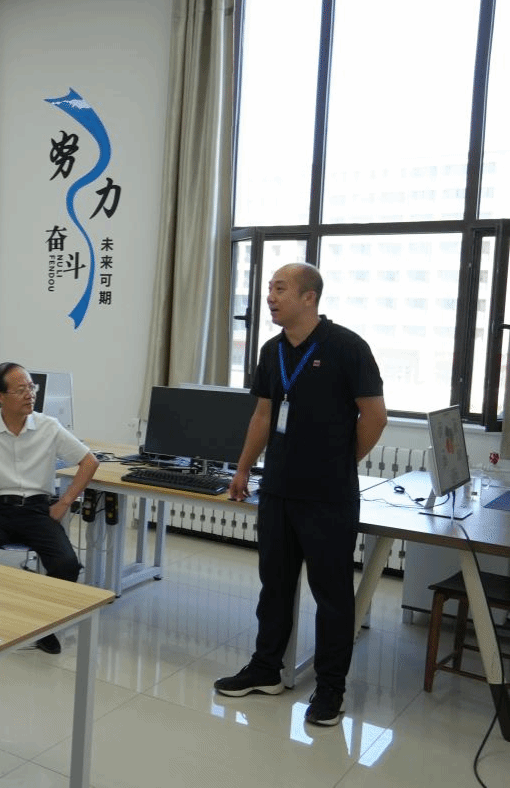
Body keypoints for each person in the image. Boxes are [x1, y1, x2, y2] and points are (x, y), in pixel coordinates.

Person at [215, 262, 386, 727]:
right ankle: (266, 669)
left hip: (328, 495)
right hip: (278, 490)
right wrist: (243, 468)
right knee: (274, 585)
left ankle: (330, 689)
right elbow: (263, 415)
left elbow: (375, 417)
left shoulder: (347, 347)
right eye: (269, 288)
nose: (270, 297)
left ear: (309, 297)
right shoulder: (272, 351)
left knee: (332, 595)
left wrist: (340, 461)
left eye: (280, 289)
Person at [0, 362, 98, 654]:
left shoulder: (48, 426)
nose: (30, 394)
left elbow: (89, 461)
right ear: (0, 396)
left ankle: (44, 627)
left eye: (32, 387)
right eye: (21, 390)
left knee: (67, 565)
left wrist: (64, 502)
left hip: (36, 511)